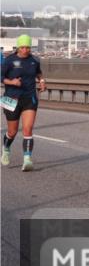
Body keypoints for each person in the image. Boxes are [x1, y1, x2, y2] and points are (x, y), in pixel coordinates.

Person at [2, 35, 45, 171]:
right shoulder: (9, 60)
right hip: (11, 98)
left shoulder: (34, 60)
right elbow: (1, 77)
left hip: (29, 97)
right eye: (23, 47)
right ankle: (6, 149)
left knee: (28, 129)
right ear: (18, 47)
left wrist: (42, 81)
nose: (25, 50)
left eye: (28, 47)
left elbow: (39, 73)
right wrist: (12, 82)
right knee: (12, 131)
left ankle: (27, 159)